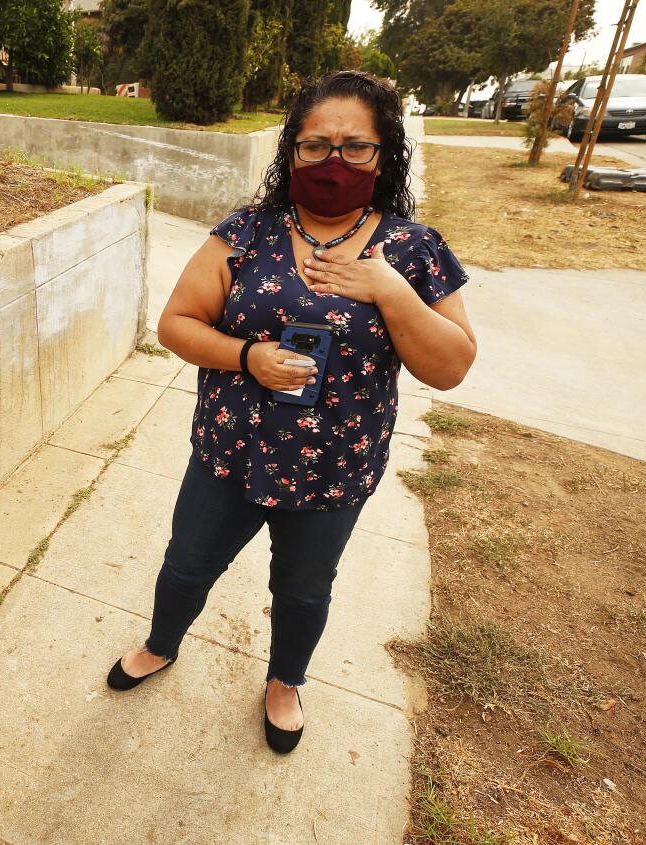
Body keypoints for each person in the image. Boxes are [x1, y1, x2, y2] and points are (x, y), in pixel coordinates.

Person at [105, 70, 477, 754]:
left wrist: (390, 290)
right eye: (316, 145)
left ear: (383, 152)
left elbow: (451, 365)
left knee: (304, 589)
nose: (334, 162)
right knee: (187, 564)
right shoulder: (247, 231)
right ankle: (161, 643)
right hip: (229, 455)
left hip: (334, 471)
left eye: (355, 146)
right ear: (291, 150)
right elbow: (176, 323)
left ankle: (284, 682)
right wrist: (248, 358)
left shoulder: (414, 250)